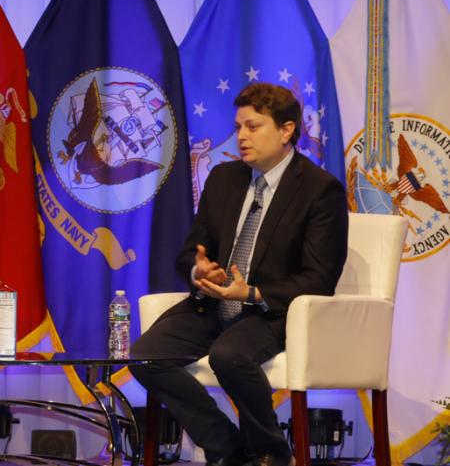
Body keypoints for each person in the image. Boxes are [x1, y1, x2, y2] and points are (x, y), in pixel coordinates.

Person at [129, 83, 349, 466]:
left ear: (286, 130)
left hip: (271, 311)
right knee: (145, 357)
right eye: (239, 127)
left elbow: (319, 279)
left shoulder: (319, 190)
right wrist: (199, 270)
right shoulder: (224, 179)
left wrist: (252, 293)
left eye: (253, 126)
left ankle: (271, 453)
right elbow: (191, 251)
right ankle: (226, 447)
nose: (242, 137)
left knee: (229, 355)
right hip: (213, 306)